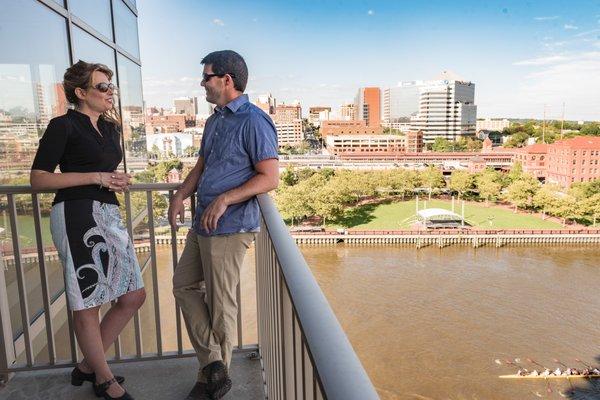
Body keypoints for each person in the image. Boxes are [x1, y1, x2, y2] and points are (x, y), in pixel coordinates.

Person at [30, 61, 145, 400]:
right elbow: (39, 178)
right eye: (102, 87)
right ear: (81, 93)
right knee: (87, 302)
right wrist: (96, 177)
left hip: (108, 213)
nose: (111, 92)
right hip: (76, 214)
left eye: (111, 86)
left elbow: (104, 169)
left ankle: (85, 367)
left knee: (133, 295)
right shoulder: (62, 126)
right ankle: (104, 378)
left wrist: (112, 180)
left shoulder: (110, 129)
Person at [168, 50, 279, 400]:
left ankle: (213, 380)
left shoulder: (254, 121)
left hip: (230, 227)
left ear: (226, 80)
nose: (202, 83)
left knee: (221, 305)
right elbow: (202, 166)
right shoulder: (215, 120)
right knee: (183, 285)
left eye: (207, 77)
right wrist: (181, 194)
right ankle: (214, 363)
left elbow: (270, 177)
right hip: (203, 224)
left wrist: (225, 198)